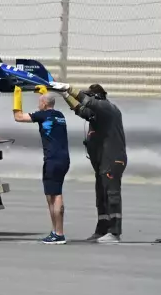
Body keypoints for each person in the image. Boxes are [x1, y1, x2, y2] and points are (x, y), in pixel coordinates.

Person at [51, 82, 127, 243]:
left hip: (112, 158)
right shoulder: (96, 114)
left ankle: (114, 232)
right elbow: (80, 109)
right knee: (101, 196)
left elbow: (87, 102)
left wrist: (69, 89)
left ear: (97, 97)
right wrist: (65, 96)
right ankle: (102, 229)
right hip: (102, 160)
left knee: (111, 195)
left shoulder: (107, 108)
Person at [13, 86, 70, 244]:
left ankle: (59, 233)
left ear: (44, 104)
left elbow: (18, 117)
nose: (38, 105)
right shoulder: (60, 115)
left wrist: (17, 95)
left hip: (52, 159)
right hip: (64, 159)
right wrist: (44, 93)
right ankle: (55, 232)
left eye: (40, 102)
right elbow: (49, 104)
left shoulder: (43, 115)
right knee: (51, 195)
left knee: (55, 196)